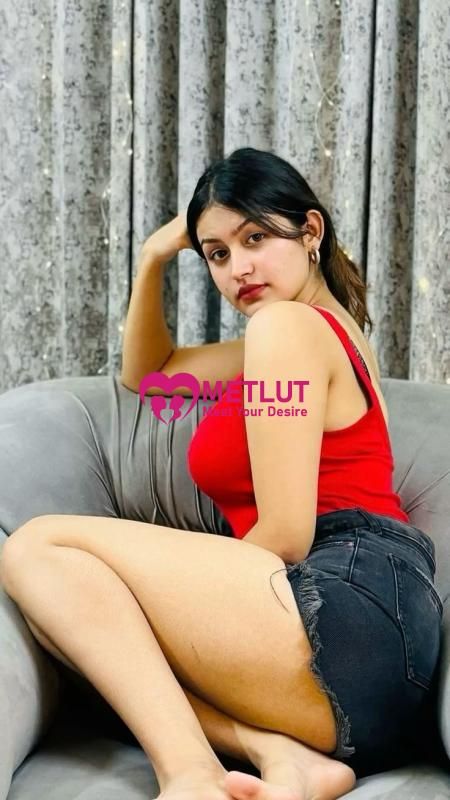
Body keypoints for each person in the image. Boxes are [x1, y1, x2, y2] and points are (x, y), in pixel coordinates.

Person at [0, 147, 443, 800]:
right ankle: (281, 754)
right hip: (378, 652)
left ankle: (190, 774)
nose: (238, 268)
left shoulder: (286, 329)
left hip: (346, 601)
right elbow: (151, 375)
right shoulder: (312, 333)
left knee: (38, 549)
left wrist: (167, 597)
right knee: (77, 624)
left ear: (310, 231)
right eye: (216, 253)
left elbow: (286, 534)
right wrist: (154, 257)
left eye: (255, 238)